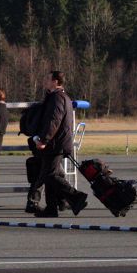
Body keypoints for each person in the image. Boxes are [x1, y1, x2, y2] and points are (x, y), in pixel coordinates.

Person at [32, 71, 88, 217]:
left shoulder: (57, 98)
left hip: (55, 143)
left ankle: (76, 197)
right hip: (58, 142)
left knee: (50, 175)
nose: (45, 80)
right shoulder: (61, 97)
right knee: (51, 174)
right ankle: (51, 208)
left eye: (48, 78)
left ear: (55, 82)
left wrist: (44, 140)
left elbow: (54, 121)